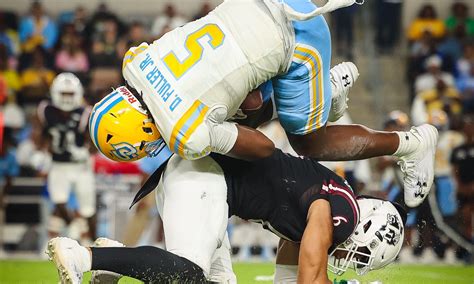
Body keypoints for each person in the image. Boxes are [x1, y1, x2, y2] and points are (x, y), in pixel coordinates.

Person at [89, 0, 437, 207]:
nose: (153, 145)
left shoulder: (183, 129)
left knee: (306, 141)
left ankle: (411, 144)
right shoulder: (135, 62)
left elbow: (265, 149)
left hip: (297, 37)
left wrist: (211, 142)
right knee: (246, 106)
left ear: (141, 127)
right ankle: (322, 96)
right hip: (254, 7)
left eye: (143, 143)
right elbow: (242, 95)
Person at [47, 149, 406, 283]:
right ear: (365, 228)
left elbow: (290, 277)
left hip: (204, 182)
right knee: (188, 272)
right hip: (206, 180)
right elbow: (310, 278)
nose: (344, 257)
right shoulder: (341, 209)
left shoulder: (332, 202)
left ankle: (114, 262)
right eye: (357, 253)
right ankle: (83, 256)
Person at [37, 73, 96, 244]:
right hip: (58, 165)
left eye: (70, 94)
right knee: (59, 201)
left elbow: (92, 142)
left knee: (88, 210)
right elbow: (41, 136)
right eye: (64, 94)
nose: (67, 98)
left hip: (81, 166)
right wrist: (41, 154)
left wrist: (86, 151)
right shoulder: (46, 110)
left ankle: (93, 243)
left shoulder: (85, 112)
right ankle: (76, 227)